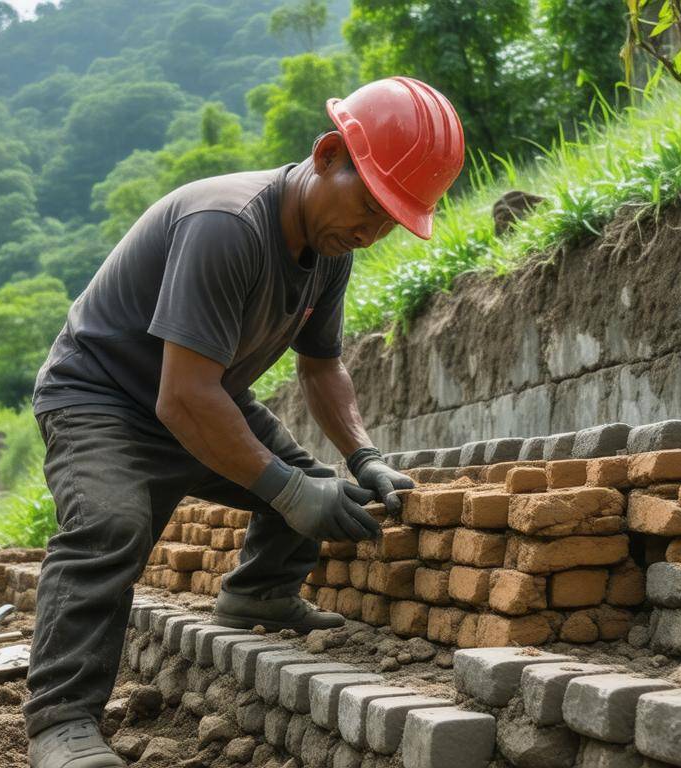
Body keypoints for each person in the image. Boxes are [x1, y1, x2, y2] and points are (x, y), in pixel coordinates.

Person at [25, 76, 466, 768]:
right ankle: (61, 723)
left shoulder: (331, 251)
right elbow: (181, 400)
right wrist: (285, 492)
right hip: (101, 399)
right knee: (111, 528)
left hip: (202, 393)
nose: (372, 231)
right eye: (369, 204)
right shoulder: (227, 225)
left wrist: (364, 458)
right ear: (326, 156)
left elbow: (321, 369)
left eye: (392, 219)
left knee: (323, 486)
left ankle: (258, 593)